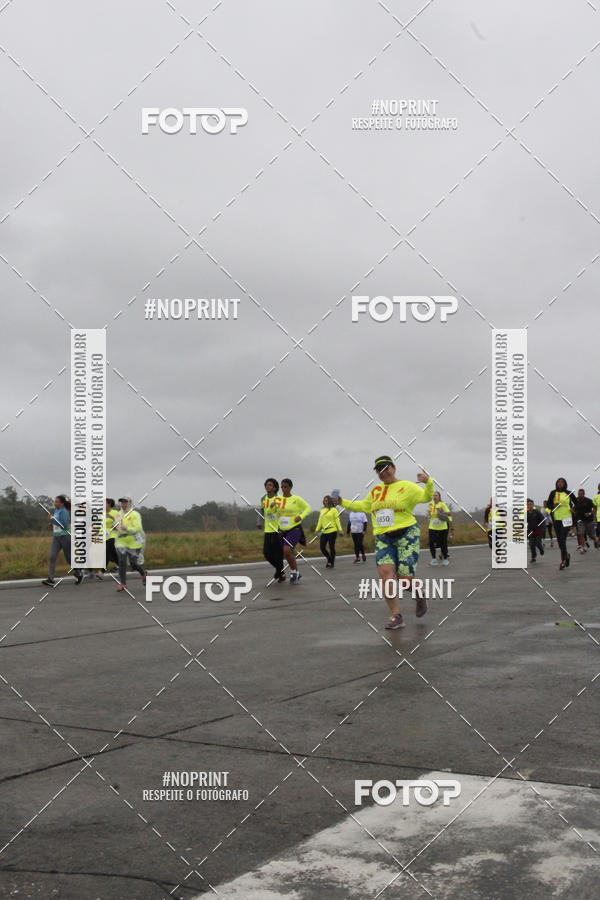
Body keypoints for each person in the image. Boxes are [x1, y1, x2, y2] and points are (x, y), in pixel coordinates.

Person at [338, 455, 434, 629]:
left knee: (405, 581)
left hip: (406, 535)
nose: (382, 472)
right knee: (386, 577)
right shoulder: (375, 490)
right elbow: (363, 506)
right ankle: (396, 615)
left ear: (393, 468)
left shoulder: (407, 486)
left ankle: (419, 594)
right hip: (383, 538)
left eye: (385, 468)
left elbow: (426, 497)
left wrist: (428, 482)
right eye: (378, 470)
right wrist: (341, 502)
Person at [41, 495, 83, 586]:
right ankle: (50, 579)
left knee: (69, 559)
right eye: (55, 501)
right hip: (56, 537)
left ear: (62, 503)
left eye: (57, 502)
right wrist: (52, 524)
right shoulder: (56, 511)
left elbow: (64, 526)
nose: (55, 503)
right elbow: (57, 522)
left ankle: (78, 571)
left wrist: (53, 520)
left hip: (65, 537)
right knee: (52, 557)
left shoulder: (64, 512)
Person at [277, 479, 311, 583]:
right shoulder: (278, 499)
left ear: (290, 487)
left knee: (287, 550)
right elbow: (272, 512)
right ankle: (296, 572)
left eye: (285, 487)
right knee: (287, 553)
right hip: (282, 529)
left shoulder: (296, 499)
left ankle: (294, 572)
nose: (283, 489)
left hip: (294, 528)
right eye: (282, 487)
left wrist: (301, 516)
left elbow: (308, 508)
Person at [114, 496, 146, 591]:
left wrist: (127, 528)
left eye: (125, 502)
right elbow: (116, 527)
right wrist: (115, 528)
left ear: (130, 503)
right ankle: (123, 584)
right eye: (122, 502)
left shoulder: (135, 514)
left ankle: (143, 574)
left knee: (133, 563)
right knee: (122, 562)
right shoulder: (118, 515)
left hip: (134, 542)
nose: (123, 504)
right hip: (121, 541)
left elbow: (138, 528)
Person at [257, 478, 285, 582]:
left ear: (274, 488)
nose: (267, 486)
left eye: (270, 485)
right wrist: (259, 522)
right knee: (267, 554)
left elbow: (284, 512)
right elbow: (261, 511)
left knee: (278, 554)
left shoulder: (279, 498)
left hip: (278, 529)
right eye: (266, 485)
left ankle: (280, 574)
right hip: (268, 530)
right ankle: (280, 571)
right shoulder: (263, 498)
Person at [547, 478, 575, 570]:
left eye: (562, 482)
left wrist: (573, 509)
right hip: (557, 519)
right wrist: (553, 506)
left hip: (567, 518)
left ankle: (563, 561)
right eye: (558, 482)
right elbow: (548, 505)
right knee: (560, 541)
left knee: (562, 539)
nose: (560, 483)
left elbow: (577, 503)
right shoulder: (553, 493)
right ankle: (567, 555)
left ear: (565, 484)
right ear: (556, 484)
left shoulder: (569, 493)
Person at [315, 495, 343, 568]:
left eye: (326, 500)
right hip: (324, 531)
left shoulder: (334, 510)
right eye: (324, 500)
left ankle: (331, 562)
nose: (325, 502)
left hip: (332, 531)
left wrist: (340, 530)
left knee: (331, 547)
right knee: (322, 547)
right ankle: (329, 559)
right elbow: (320, 521)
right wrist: (316, 530)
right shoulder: (322, 510)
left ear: (330, 501)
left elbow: (337, 520)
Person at [428, 491, 452, 566]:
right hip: (432, 527)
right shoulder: (431, 505)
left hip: (442, 528)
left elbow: (449, 513)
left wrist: (442, 512)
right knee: (431, 543)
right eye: (434, 495)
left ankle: (445, 559)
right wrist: (429, 515)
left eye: (436, 495)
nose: (434, 497)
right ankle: (434, 559)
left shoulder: (442, 504)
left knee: (443, 543)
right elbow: (430, 514)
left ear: (439, 497)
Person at [573, 488, 595, 553]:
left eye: (581, 494)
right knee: (581, 533)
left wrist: (589, 513)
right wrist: (574, 512)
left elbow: (595, 508)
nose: (580, 495)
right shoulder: (576, 501)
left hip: (589, 520)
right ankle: (583, 547)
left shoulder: (589, 500)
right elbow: (573, 508)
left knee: (591, 535)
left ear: (584, 494)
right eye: (579, 494)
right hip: (580, 520)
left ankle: (596, 541)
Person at [526, 499, 546, 563]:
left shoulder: (537, 512)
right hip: (530, 531)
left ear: (533, 505)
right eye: (528, 504)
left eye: (531, 504)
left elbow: (543, 520)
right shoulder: (526, 513)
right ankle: (533, 557)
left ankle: (541, 549)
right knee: (531, 544)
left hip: (538, 530)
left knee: (537, 543)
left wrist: (543, 528)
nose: (529, 506)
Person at [593, 483, 600, 549]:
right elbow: (594, 509)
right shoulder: (596, 497)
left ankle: (597, 541)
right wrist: (594, 518)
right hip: (599, 517)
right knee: (598, 530)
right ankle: (597, 540)